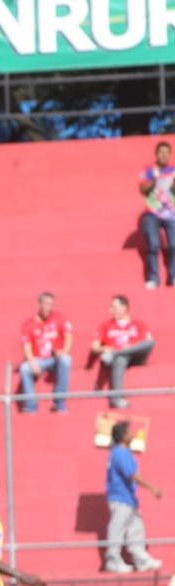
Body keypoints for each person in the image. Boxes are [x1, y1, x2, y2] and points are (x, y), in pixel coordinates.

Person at [104, 421, 163, 573]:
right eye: (129, 431)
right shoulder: (120, 453)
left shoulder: (120, 452)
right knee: (117, 530)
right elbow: (132, 475)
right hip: (120, 498)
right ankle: (113, 561)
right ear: (123, 436)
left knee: (136, 529)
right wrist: (152, 488)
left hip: (128, 499)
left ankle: (141, 560)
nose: (133, 433)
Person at [91, 295, 155, 409]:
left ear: (124, 307)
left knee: (150, 342)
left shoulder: (139, 324)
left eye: (114, 307)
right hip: (119, 360)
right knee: (120, 359)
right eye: (111, 307)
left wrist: (126, 348)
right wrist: (106, 349)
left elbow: (147, 343)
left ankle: (118, 353)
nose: (111, 310)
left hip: (136, 356)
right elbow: (94, 347)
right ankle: (116, 399)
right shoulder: (105, 325)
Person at [18, 292, 73, 414]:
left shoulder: (59, 317)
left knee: (66, 359)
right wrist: (32, 362)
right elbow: (26, 346)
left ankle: (59, 402)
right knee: (24, 368)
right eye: (46, 304)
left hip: (55, 357)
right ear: (39, 304)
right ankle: (31, 405)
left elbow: (68, 336)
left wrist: (64, 352)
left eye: (51, 304)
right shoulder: (28, 323)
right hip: (39, 359)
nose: (49, 307)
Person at [138, 140, 175, 288]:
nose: (164, 155)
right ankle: (153, 278)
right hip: (152, 213)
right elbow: (142, 190)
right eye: (161, 152)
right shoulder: (148, 169)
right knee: (153, 245)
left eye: (167, 152)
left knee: (174, 245)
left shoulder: (174, 170)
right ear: (156, 154)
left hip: (171, 213)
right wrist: (154, 178)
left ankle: (173, 277)